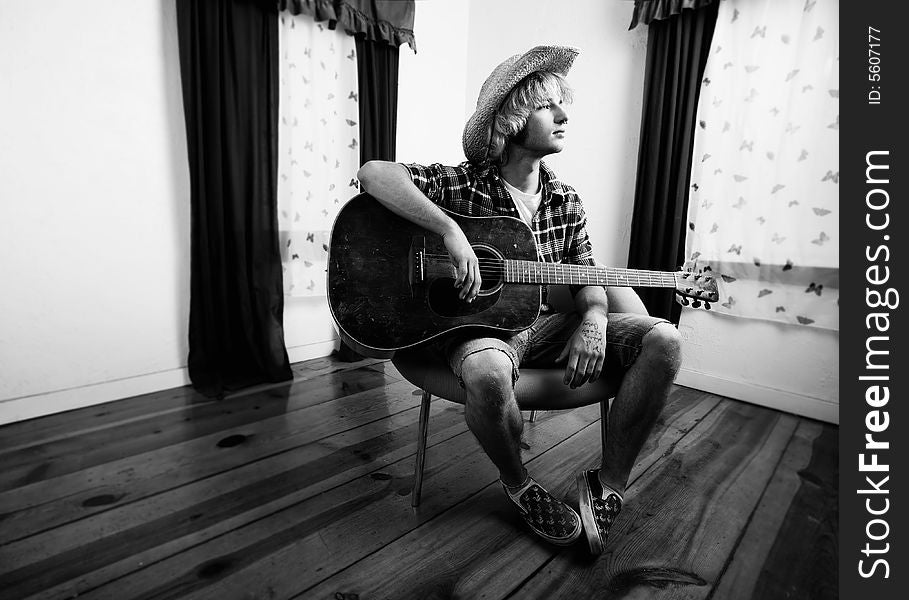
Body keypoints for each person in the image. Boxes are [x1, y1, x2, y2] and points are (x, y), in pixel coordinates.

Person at [357, 45, 682, 555]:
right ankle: (519, 484)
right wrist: (448, 231)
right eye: (547, 105)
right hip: (479, 330)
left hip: (546, 324)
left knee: (665, 338)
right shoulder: (463, 185)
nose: (563, 115)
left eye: (561, 105)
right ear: (512, 118)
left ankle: (608, 486)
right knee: (487, 371)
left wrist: (594, 318)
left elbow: (585, 275)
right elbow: (375, 174)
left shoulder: (566, 199)